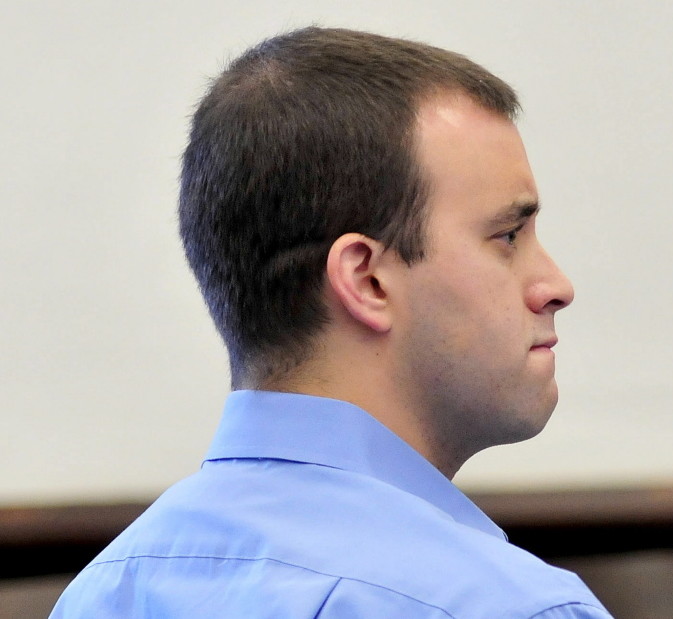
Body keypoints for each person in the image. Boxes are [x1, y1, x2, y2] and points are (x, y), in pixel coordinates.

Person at [51, 27, 612, 618]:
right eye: (508, 236)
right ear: (367, 281)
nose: (555, 286)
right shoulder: (510, 607)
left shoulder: (106, 592)